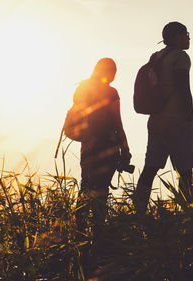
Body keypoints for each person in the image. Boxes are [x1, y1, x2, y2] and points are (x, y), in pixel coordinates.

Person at [133, 22, 193, 215]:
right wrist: (190, 118)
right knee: (185, 171)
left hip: (156, 122)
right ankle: (189, 215)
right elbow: (184, 89)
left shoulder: (158, 57)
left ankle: (139, 212)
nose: (188, 38)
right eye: (185, 34)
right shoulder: (180, 57)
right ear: (177, 36)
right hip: (177, 121)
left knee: (150, 167)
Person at [74, 58, 131, 235]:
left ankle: (80, 231)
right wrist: (126, 149)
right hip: (107, 146)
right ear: (109, 72)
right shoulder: (111, 92)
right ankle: (99, 231)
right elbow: (117, 122)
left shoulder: (82, 88)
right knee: (101, 189)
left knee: (86, 186)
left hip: (87, 145)